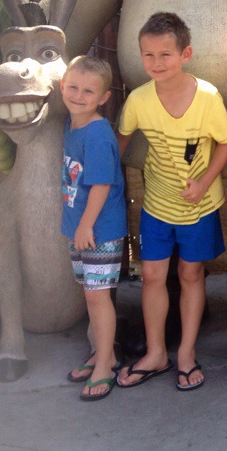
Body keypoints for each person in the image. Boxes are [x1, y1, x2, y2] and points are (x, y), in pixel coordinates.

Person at [115, 12, 227, 391]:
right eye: (148, 55)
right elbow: (118, 143)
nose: (156, 63)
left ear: (186, 54)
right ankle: (155, 353)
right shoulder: (138, 100)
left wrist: (204, 182)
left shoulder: (208, 97)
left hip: (199, 206)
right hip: (157, 205)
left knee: (190, 274)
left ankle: (186, 352)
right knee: (152, 276)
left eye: (165, 54)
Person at [59, 55, 128, 401]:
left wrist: (85, 226)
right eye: (73, 87)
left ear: (104, 97)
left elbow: (101, 185)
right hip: (81, 229)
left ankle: (104, 364)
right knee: (91, 295)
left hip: (99, 230)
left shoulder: (98, 136)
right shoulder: (72, 124)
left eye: (89, 91)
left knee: (98, 298)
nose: (78, 95)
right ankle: (104, 353)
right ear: (62, 86)